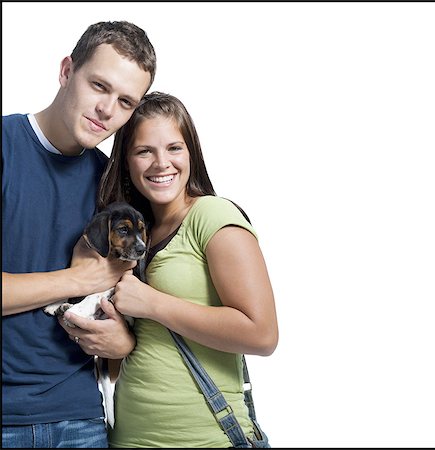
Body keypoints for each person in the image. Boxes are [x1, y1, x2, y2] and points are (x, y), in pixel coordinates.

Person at [83, 91, 279, 447]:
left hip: (206, 439)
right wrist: (116, 342)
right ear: (126, 160)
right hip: (128, 438)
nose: (161, 163)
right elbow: (128, 359)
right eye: (145, 151)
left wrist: (153, 303)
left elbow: (262, 335)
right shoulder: (132, 234)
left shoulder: (213, 216)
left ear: (192, 153)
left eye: (174, 148)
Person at [2, 21, 156, 448]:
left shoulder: (115, 187)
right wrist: (76, 279)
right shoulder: (6, 147)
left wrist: (121, 343)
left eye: (125, 101)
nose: (107, 110)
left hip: (79, 419)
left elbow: (126, 304)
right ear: (67, 70)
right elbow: (90, 282)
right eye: (99, 86)